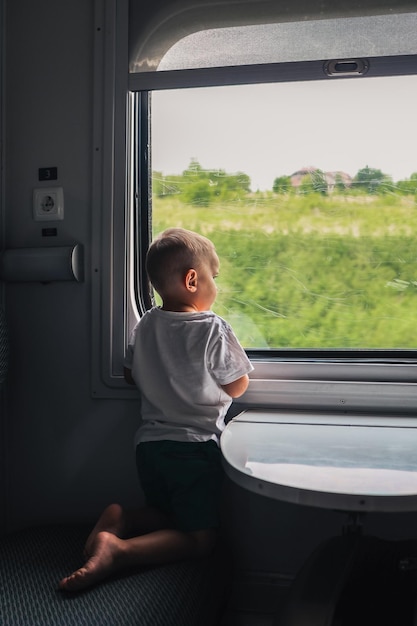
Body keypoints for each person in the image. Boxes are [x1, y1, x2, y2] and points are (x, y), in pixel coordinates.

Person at [59, 227, 253, 592]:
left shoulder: (146, 323)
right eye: (214, 277)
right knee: (199, 539)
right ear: (192, 279)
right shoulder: (213, 328)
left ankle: (122, 519)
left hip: (149, 447)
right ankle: (120, 550)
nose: (216, 285)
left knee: (163, 515)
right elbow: (238, 384)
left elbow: (131, 374)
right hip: (194, 450)